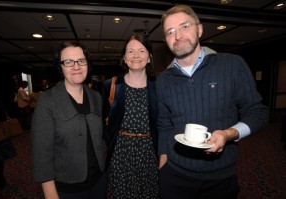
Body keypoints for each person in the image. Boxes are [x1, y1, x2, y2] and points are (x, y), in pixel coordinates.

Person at [156, 4, 269, 199]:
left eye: (184, 26)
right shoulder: (163, 80)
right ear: (166, 39)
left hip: (220, 179)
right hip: (174, 176)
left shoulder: (232, 65)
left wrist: (229, 134)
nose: (178, 35)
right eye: (170, 31)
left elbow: (258, 113)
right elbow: (164, 124)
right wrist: (163, 160)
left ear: (199, 29)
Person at [31, 41, 107, 199]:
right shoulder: (48, 100)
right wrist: (50, 193)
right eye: (68, 62)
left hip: (99, 181)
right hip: (67, 188)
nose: (76, 66)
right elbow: (41, 153)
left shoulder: (96, 97)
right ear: (61, 67)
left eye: (81, 61)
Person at [102, 34, 159, 199]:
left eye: (142, 50)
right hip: (121, 155)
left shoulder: (158, 87)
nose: (136, 55)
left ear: (149, 58)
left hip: (150, 155)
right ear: (124, 58)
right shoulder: (110, 85)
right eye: (130, 51)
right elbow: (102, 121)